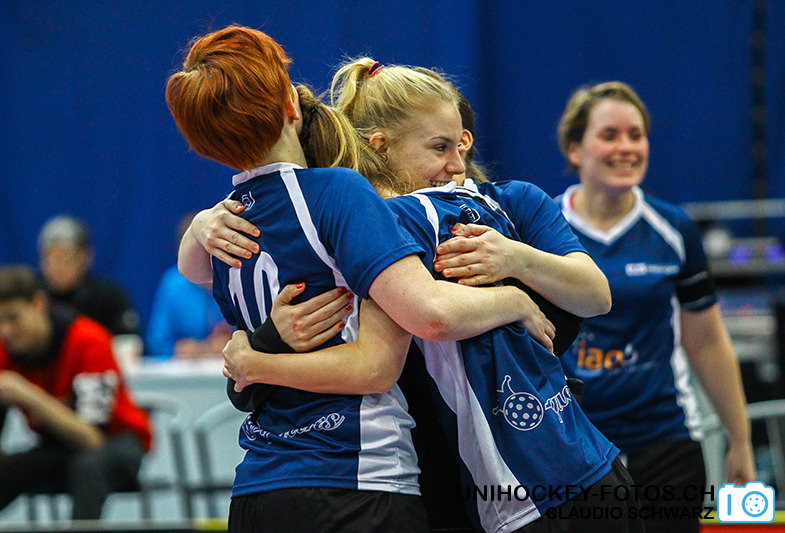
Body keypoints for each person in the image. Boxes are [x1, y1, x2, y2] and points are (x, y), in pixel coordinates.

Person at [212, 57, 642, 533]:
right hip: (436, 485)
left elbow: (595, 295)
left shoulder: (511, 202)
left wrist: (516, 259)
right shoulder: (359, 224)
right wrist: (259, 337)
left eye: (461, 144)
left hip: (554, 472)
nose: (456, 165)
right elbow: (420, 321)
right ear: (381, 145)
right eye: (439, 147)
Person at [166, 25, 547, 533]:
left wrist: (254, 357)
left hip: (257, 486)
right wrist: (516, 300)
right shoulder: (336, 191)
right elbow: (415, 329)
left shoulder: (222, 223)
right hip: (353, 479)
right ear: (291, 104)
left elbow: (189, 267)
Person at [547, 81, 754, 532]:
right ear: (575, 149)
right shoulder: (542, 230)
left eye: (636, 135)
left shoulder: (674, 229)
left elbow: (707, 342)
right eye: (609, 135)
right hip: (574, 442)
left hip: (665, 440)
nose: (626, 147)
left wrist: (740, 439)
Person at [0, 265, 152, 520]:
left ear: (39, 304)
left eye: (13, 318)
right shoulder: (5, 348)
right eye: (0, 322)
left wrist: (28, 395)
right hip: (58, 447)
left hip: (117, 443)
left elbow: (91, 439)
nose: (6, 331)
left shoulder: (87, 340)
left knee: (87, 465)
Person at [38, 215, 142, 364]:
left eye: (64, 258)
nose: (56, 267)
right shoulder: (34, 298)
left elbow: (128, 343)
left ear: (85, 257)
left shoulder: (110, 296)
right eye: (49, 259)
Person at [145, 212, 230, 359]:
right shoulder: (173, 284)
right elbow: (157, 342)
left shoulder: (237, 277)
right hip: (185, 368)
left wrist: (236, 342)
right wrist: (177, 350)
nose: (204, 255)